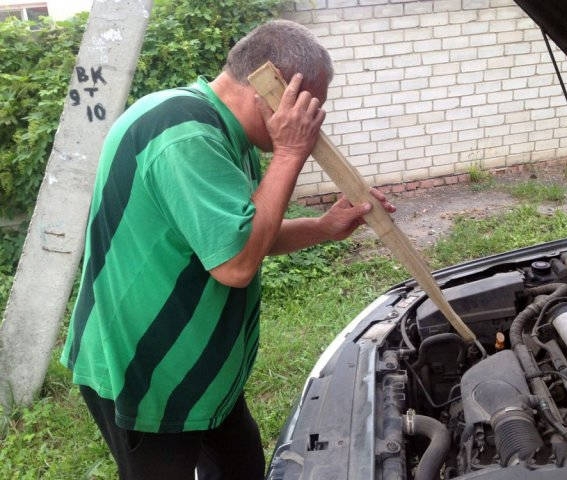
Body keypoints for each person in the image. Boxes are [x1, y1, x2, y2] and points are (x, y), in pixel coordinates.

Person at [60, 19, 395, 480]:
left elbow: (234, 237)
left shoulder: (218, 129)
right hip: (150, 372)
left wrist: (323, 228)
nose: (313, 122)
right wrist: (289, 153)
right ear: (272, 88)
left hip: (198, 371)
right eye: (308, 106)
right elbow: (236, 263)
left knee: (240, 467)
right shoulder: (187, 135)